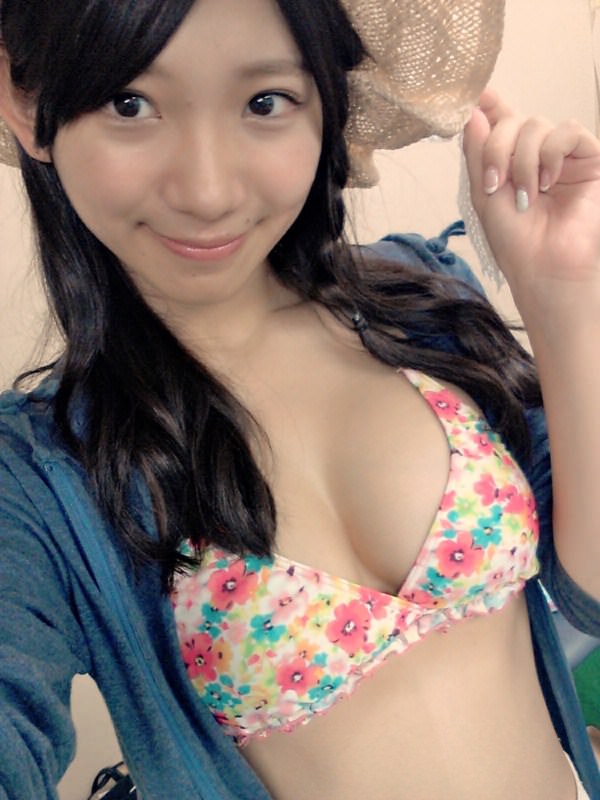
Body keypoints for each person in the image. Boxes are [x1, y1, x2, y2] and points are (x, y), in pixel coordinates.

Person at [0, 0, 598, 798]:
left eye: (264, 102)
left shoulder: (422, 309)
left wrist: (566, 299)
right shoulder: (39, 483)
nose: (207, 190)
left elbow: (588, 596)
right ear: (27, 102)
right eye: (130, 103)